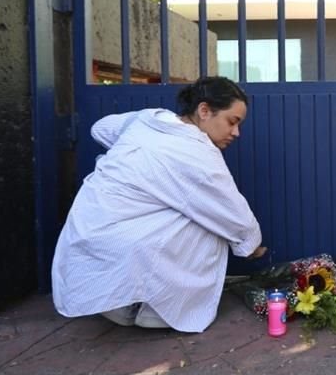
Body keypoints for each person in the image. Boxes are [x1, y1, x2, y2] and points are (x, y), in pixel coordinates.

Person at [51, 76, 266, 333]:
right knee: (209, 224)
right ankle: (161, 311)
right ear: (204, 110)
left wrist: (135, 159)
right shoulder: (198, 154)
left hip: (84, 232)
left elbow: (100, 128)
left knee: (179, 210)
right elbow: (233, 214)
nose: (236, 133)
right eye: (232, 122)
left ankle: (123, 303)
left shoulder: (148, 119)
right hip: (121, 243)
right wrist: (251, 246)